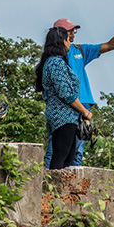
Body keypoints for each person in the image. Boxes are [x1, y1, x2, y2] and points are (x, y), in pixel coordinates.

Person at [43, 17, 114, 167]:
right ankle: (48, 182)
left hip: (83, 102)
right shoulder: (55, 58)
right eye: (70, 30)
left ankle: (74, 185)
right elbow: (63, 91)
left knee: (77, 149)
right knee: (56, 148)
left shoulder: (79, 50)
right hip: (66, 106)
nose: (73, 33)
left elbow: (109, 45)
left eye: (74, 30)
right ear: (60, 34)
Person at [36, 26, 93, 169]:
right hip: (62, 116)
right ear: (62, 41)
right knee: (60, 158)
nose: (70, 43)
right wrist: (85, 112)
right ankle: (51, 190)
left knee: (69, 157)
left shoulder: (55, 62)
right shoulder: (56, 63)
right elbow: (66, 93)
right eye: (68, 39)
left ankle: (60, 190)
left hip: (66, 116)